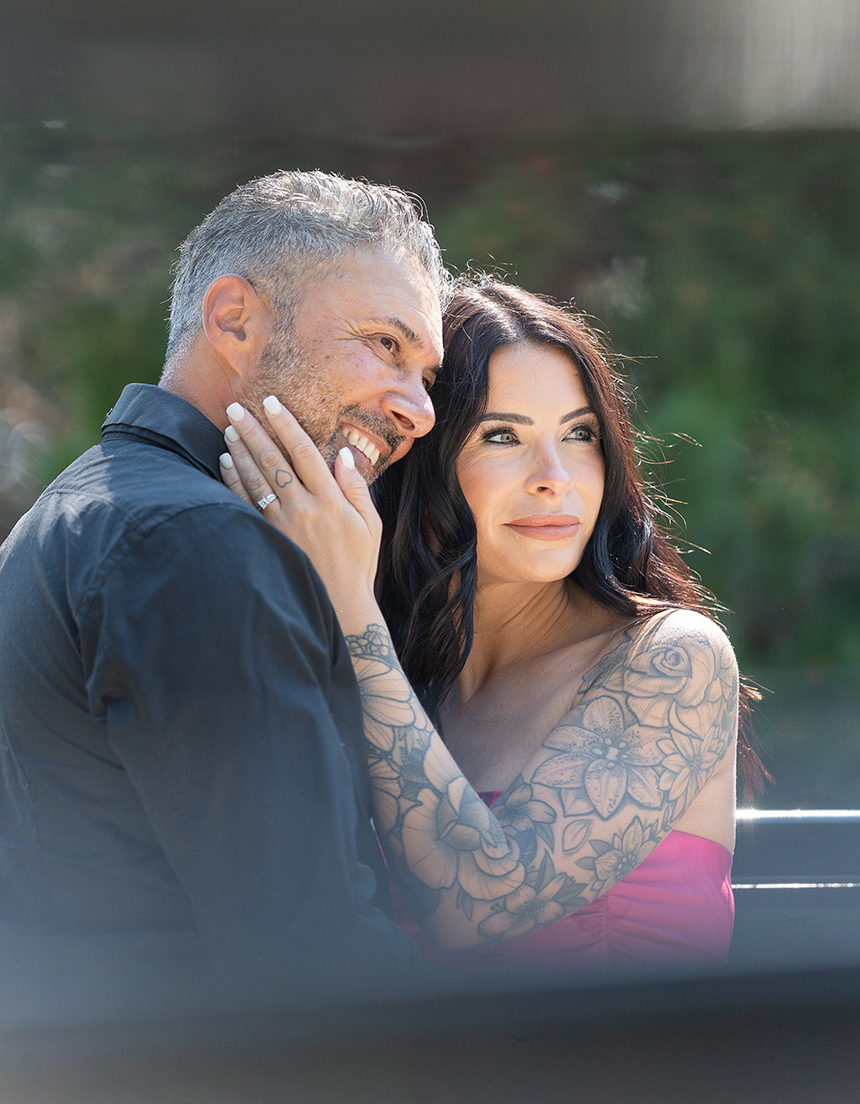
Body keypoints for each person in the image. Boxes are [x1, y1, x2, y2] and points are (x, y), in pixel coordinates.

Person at [0, 169, 447, 1016]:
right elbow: (314, 963)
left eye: (426, 370)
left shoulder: (82, 508)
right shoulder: (195, 544)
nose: (419, 409)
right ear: (234, 318)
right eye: (386, 344)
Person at [221, 277, 760, 976]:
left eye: (580, 434)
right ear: (425, 456)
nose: (555, 476)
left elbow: (479, 903)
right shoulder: (403, 677)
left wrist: (348, 600)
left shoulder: (673, 657)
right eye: (502, 435)